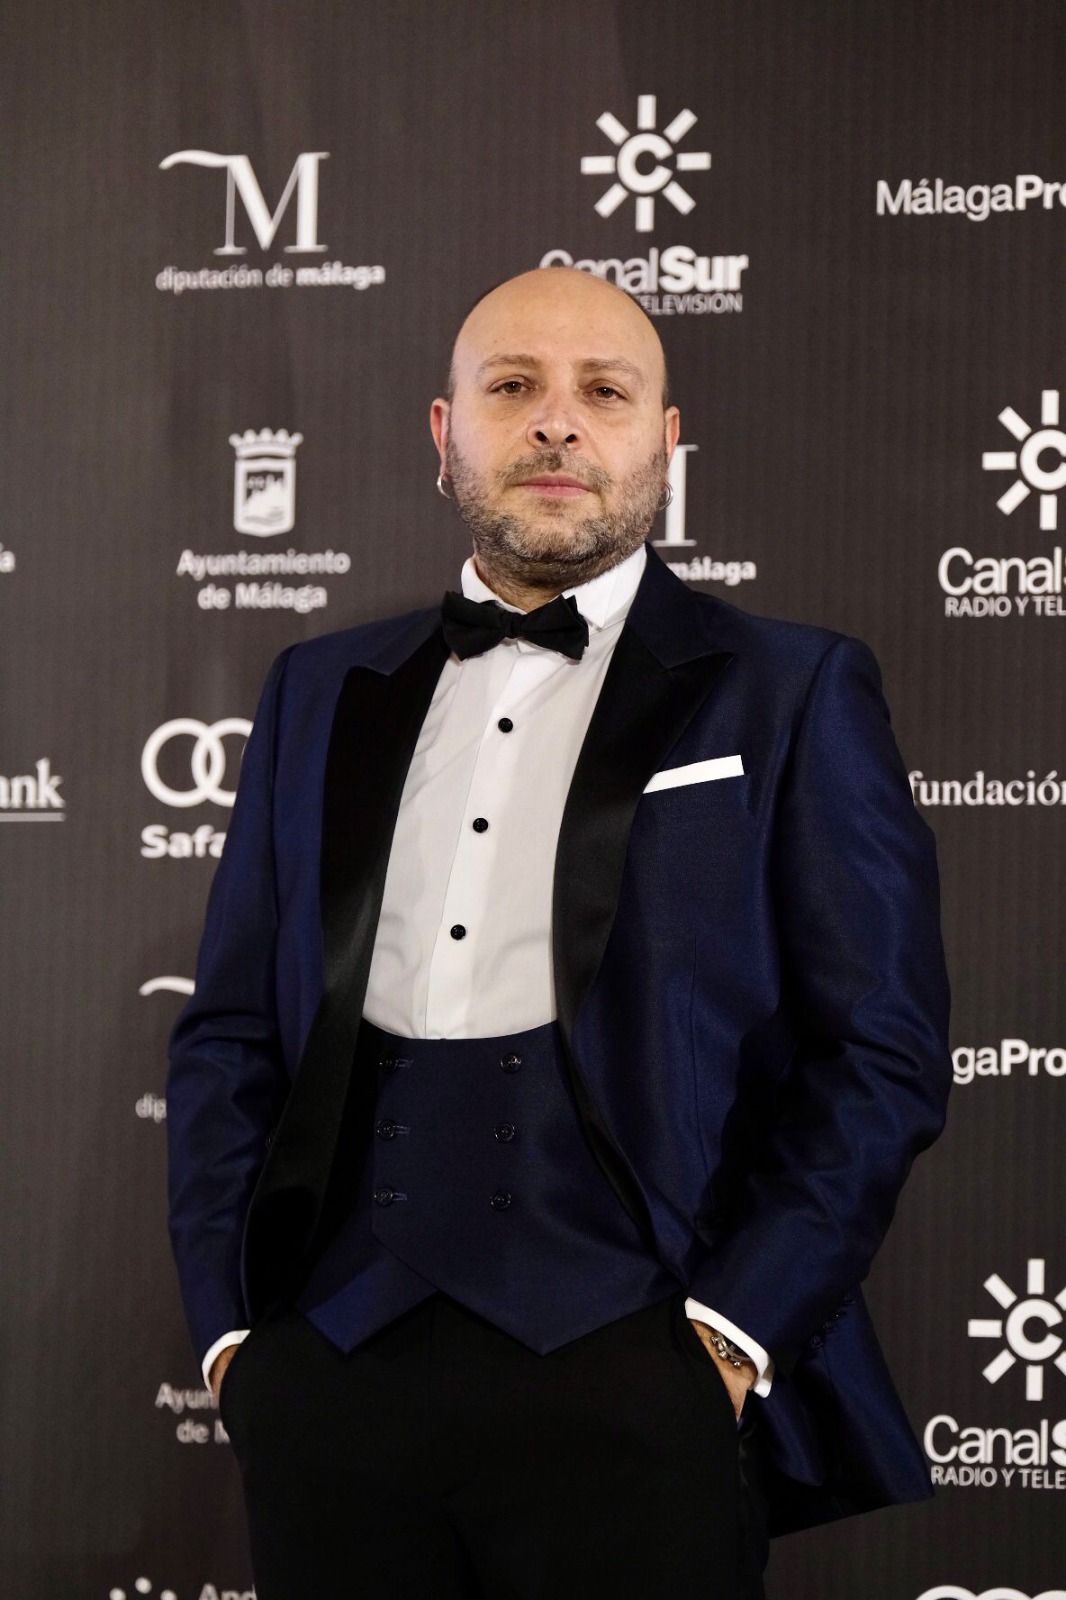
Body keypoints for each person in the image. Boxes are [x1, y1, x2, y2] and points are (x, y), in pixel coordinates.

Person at [166, 265, 952, 1599]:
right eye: (512, 386)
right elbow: (232, 1029)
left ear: (664, 435)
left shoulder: (792, 689)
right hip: (330, 1380)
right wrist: (235, 1337)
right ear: (443, 431)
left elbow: (878, 1048)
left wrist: (731, 1334)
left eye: (603, 390)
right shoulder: (316, 689)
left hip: (641, 1372)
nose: (556, 423)